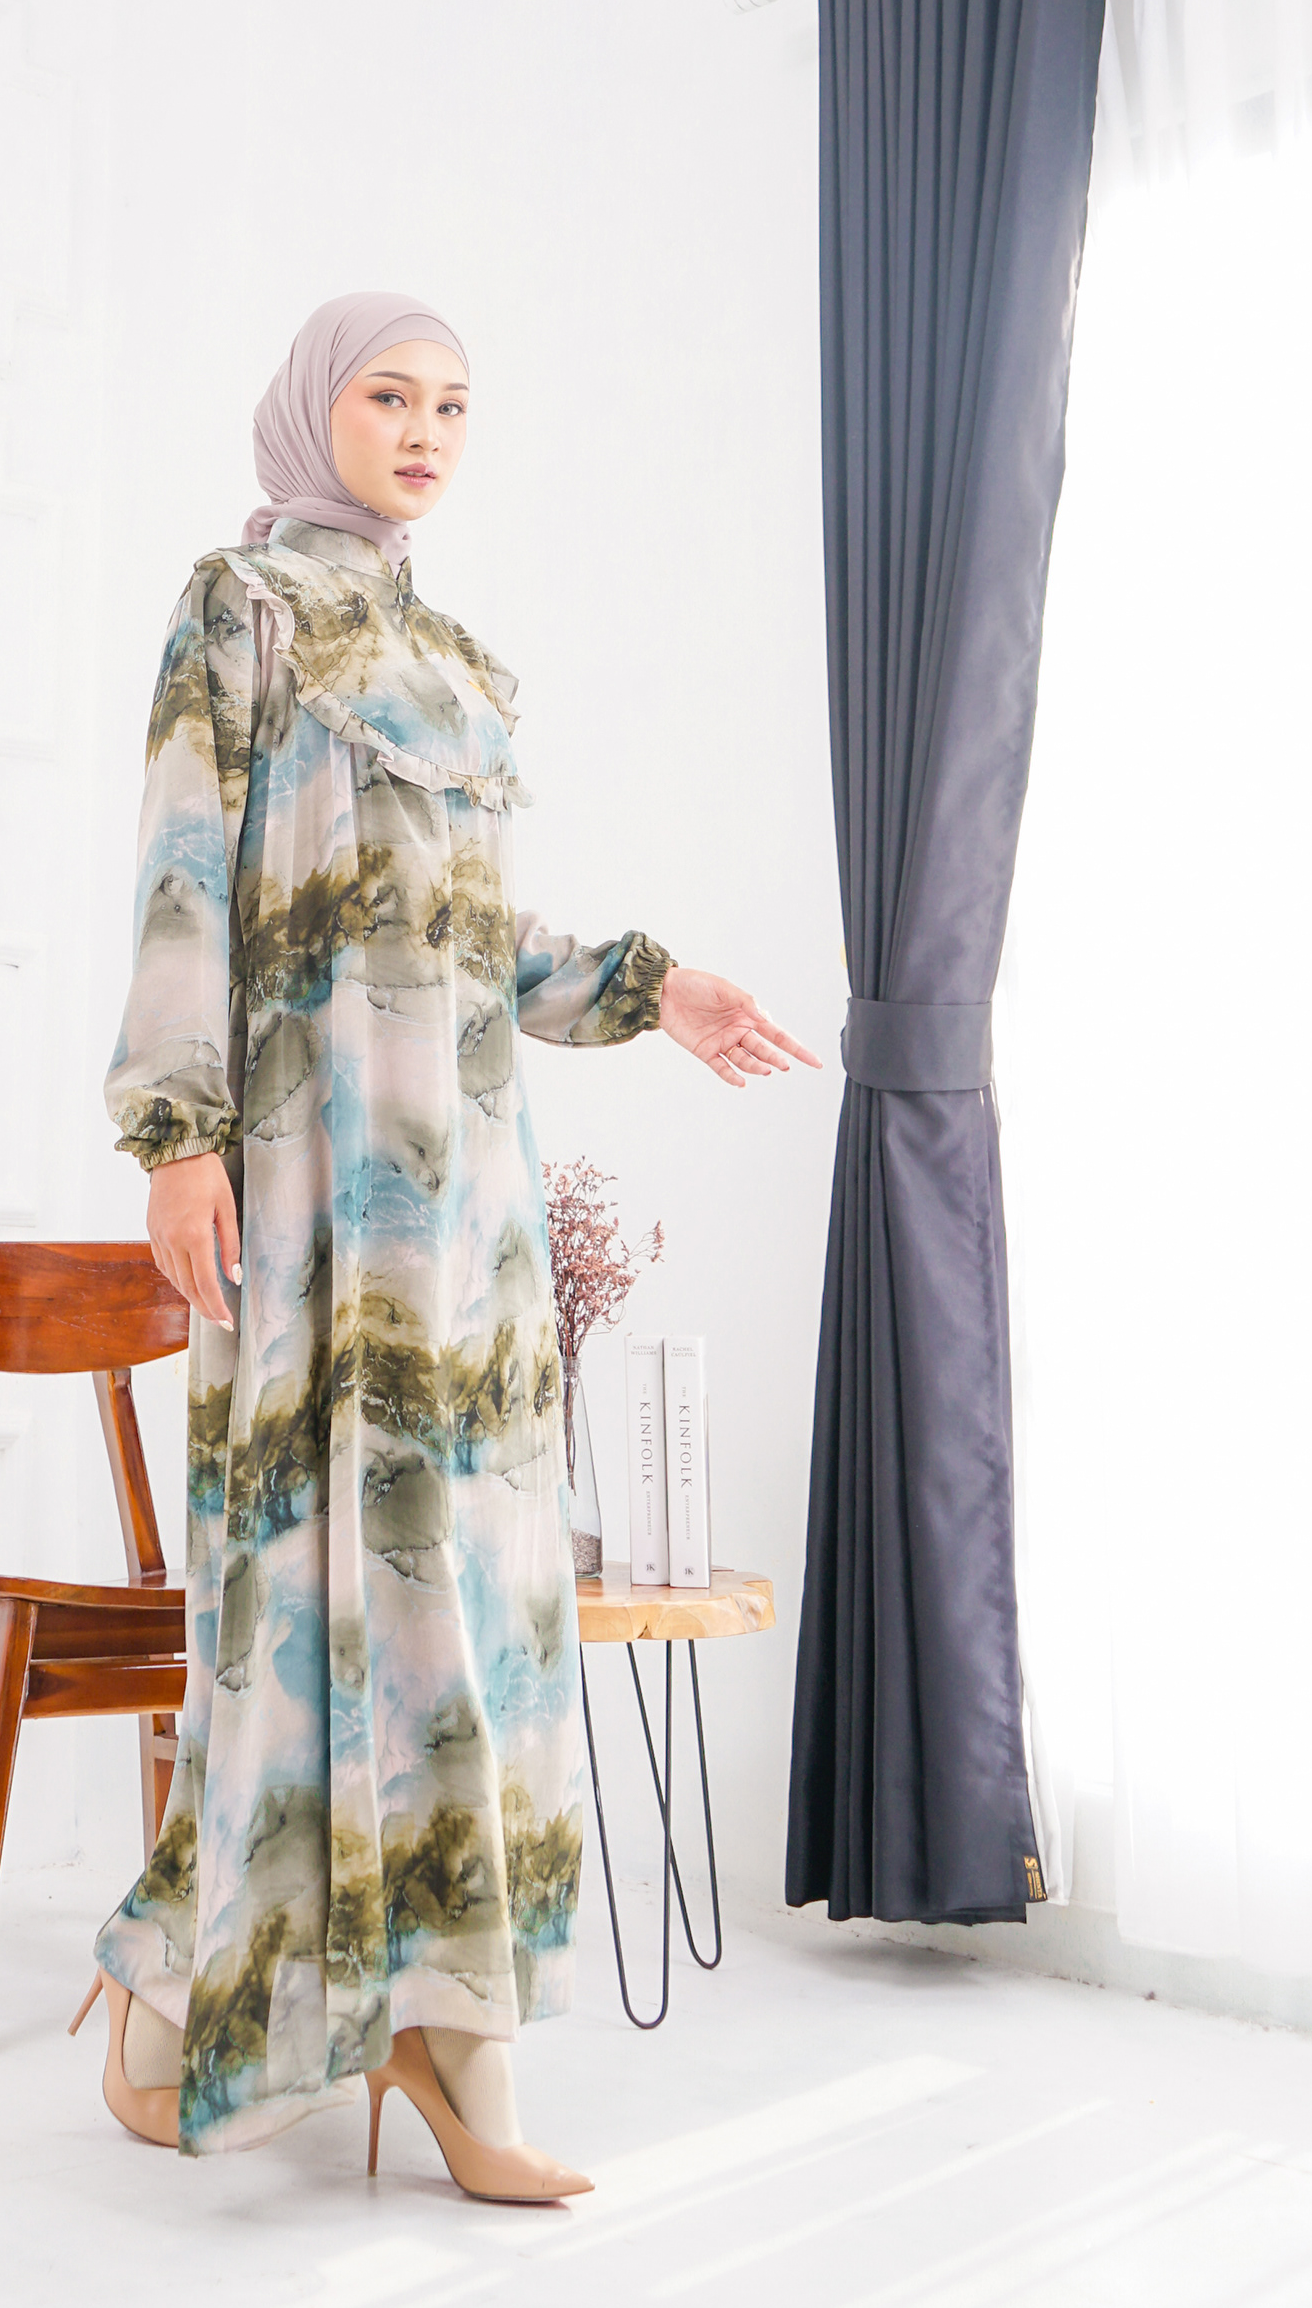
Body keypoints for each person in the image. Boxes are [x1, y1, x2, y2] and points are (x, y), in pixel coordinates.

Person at [70, 293, 819, 2200]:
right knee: (303, 1602)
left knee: (471, 1609)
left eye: (455, 406)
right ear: (311, 413)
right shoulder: (240, 613)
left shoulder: (455, 663)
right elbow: (183, 877)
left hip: (469, 1220)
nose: (424, 431)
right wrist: (177, 1140)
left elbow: (479, 941)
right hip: (307, 1193)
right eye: (389, 396)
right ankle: (184, 2006)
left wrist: (656, 986)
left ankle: (450, 2028)